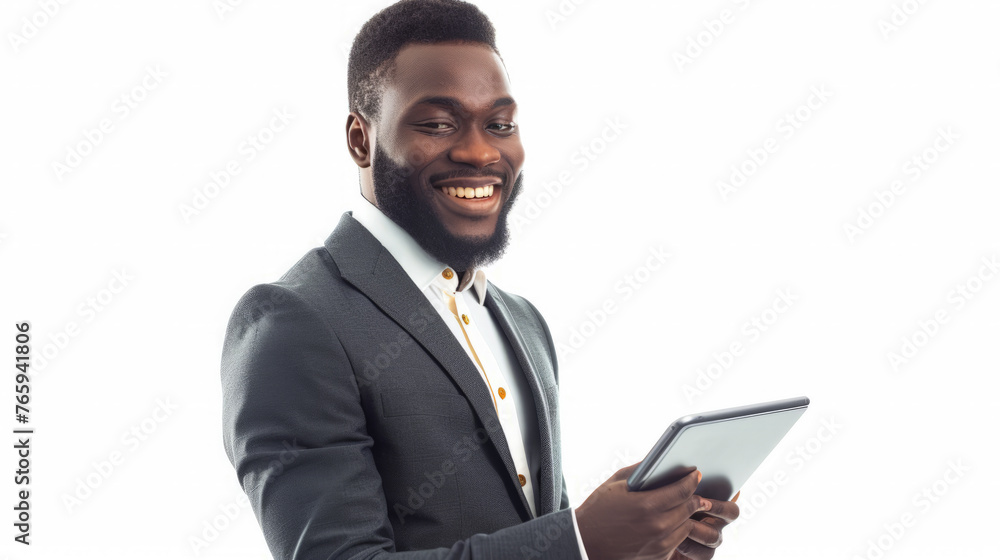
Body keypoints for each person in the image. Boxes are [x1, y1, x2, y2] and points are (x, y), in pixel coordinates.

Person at [220, 1, 739, 558]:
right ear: (360, 140)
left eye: (500, 124)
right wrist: (581, 542)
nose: (479, 151)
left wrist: (638, 542)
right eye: (438, 124)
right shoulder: (293, 321)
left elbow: (538, 535)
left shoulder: (521, 321)